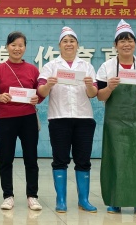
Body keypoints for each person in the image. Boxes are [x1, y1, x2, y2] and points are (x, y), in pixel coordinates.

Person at [96, 20, 136, 214]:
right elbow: (100, 96)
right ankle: (115, 200)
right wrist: (109, 87)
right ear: (115, 45)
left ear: (135, 44)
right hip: (115, 121)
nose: (126, 44)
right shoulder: (107, 67)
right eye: (122, 41)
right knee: (116, 159)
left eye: (130, 40)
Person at [37, 26, 98, 213]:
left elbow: (93, 94)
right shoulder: (51, 66)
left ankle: (84, 200)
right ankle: (61, 200)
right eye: (65, 41)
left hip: (84, 118)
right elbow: (41, 92)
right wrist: (49, 84)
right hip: (59, 117)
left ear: (77, 45)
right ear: (59, 45)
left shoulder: (87, 67)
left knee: (83, 160)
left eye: (72, 41)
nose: (69, 44)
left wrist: (90, 85)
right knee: (60, 159)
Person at [0, 31, 43, 211]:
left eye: (21, 45)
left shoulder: (32, 69)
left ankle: (32, 196)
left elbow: (40, 92)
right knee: (6, 158)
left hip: (28, 118)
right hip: (7, 119)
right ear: (7, 47)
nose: (17, 48)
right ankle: (8, 196)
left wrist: (38, 99)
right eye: (13, 45)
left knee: (31, 158)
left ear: (25, 47)